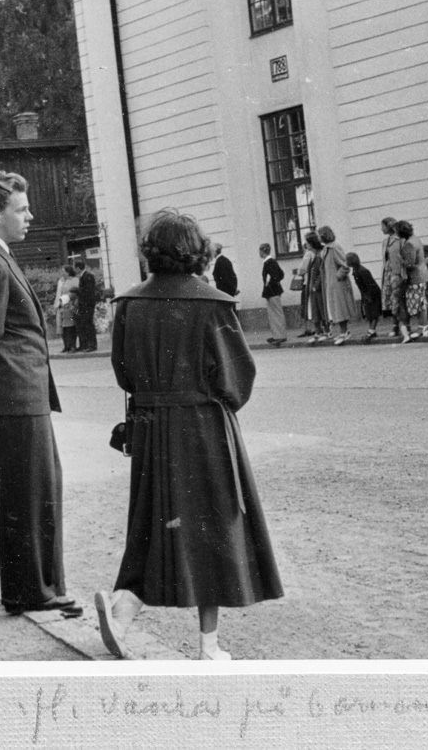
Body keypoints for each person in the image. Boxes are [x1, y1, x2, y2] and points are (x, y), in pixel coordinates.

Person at [95, 209, 282, 661]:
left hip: (151, 428)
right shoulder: (212, 303)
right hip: (203, 428)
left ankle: (123, 609)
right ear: (196, 250)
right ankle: (208, 645)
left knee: (151, 519)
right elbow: (238, 377)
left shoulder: (130, 304)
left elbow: (123, 373)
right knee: (213, 525)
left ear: (150, 252)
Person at [0, 171, 80, 617]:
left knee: (28, 491)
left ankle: (29, 587)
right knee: (33, 493)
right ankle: (36, 591)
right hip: (16, 392)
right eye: (21, 209)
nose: (29, 216)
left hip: (15, 391)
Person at [315, 225, 359, 345]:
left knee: (340, 308)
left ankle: (344, 332)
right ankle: (343, 331)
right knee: (335, 309)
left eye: (319, 235)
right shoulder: (325, 250)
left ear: (324, 235)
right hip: (330, 284)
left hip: (338, 284)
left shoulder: (334, 248)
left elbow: (344, 265)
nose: (318, 237)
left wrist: (337, 277)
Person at [395, 220, 428, 343]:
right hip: (422, 274)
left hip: (415, 277)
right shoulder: (415, 239)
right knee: (422, 302)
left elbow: (410, 263)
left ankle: (422, 327)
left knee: (418, 303)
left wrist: (400, 259)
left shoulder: (409, 244)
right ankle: (424, 326)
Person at [347, 252, 381, 342]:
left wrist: (369, 296)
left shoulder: (362, 271)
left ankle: (371, 331)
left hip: (372, 294)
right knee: (369, 313)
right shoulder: (356, 270)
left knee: (374, 313)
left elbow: (370, 285)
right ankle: (372, 330)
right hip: (366, 294)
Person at [378, 217, 404, 337]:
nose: (381, 228)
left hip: (395, 272)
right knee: (390, 300)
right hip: (387, 273)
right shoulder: (385, 241)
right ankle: (395, 325)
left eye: (383, 226)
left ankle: (400, 325)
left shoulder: (398, 239)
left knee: (397, 299)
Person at [258, 243, 286, 345]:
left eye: (260, 251)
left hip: (272, 292)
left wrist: (268, 286)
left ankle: (280, 336)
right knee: (274, 314)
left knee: (276, 314)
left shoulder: (269, 262)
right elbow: (281, 274)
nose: (259, 253)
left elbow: (274, 277)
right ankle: (277, 335)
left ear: (262, 251)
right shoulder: (272, 261)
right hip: (274, 291)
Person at [53, 265, 80, 353]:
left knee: (70, 326)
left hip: (69, 306)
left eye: (63, 271)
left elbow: (75, 292)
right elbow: (58, 293)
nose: (62, 273)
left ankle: (73, 346)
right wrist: (56, 304)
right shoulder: (60, 281)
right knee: (62, 327)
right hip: (60, 305)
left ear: (68, 272)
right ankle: (66, 346)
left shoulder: (74, 280)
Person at [74, 259, 99, 352]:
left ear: (78, 268)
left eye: (75, 268)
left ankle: (92, 345)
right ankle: (85, 344)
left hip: (87, 304)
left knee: (88, 324)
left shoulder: (87, 276)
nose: (75, 270)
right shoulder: (83, 276)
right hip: (84, 304)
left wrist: (78, 291)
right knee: (84, 324)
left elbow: (88, 292)